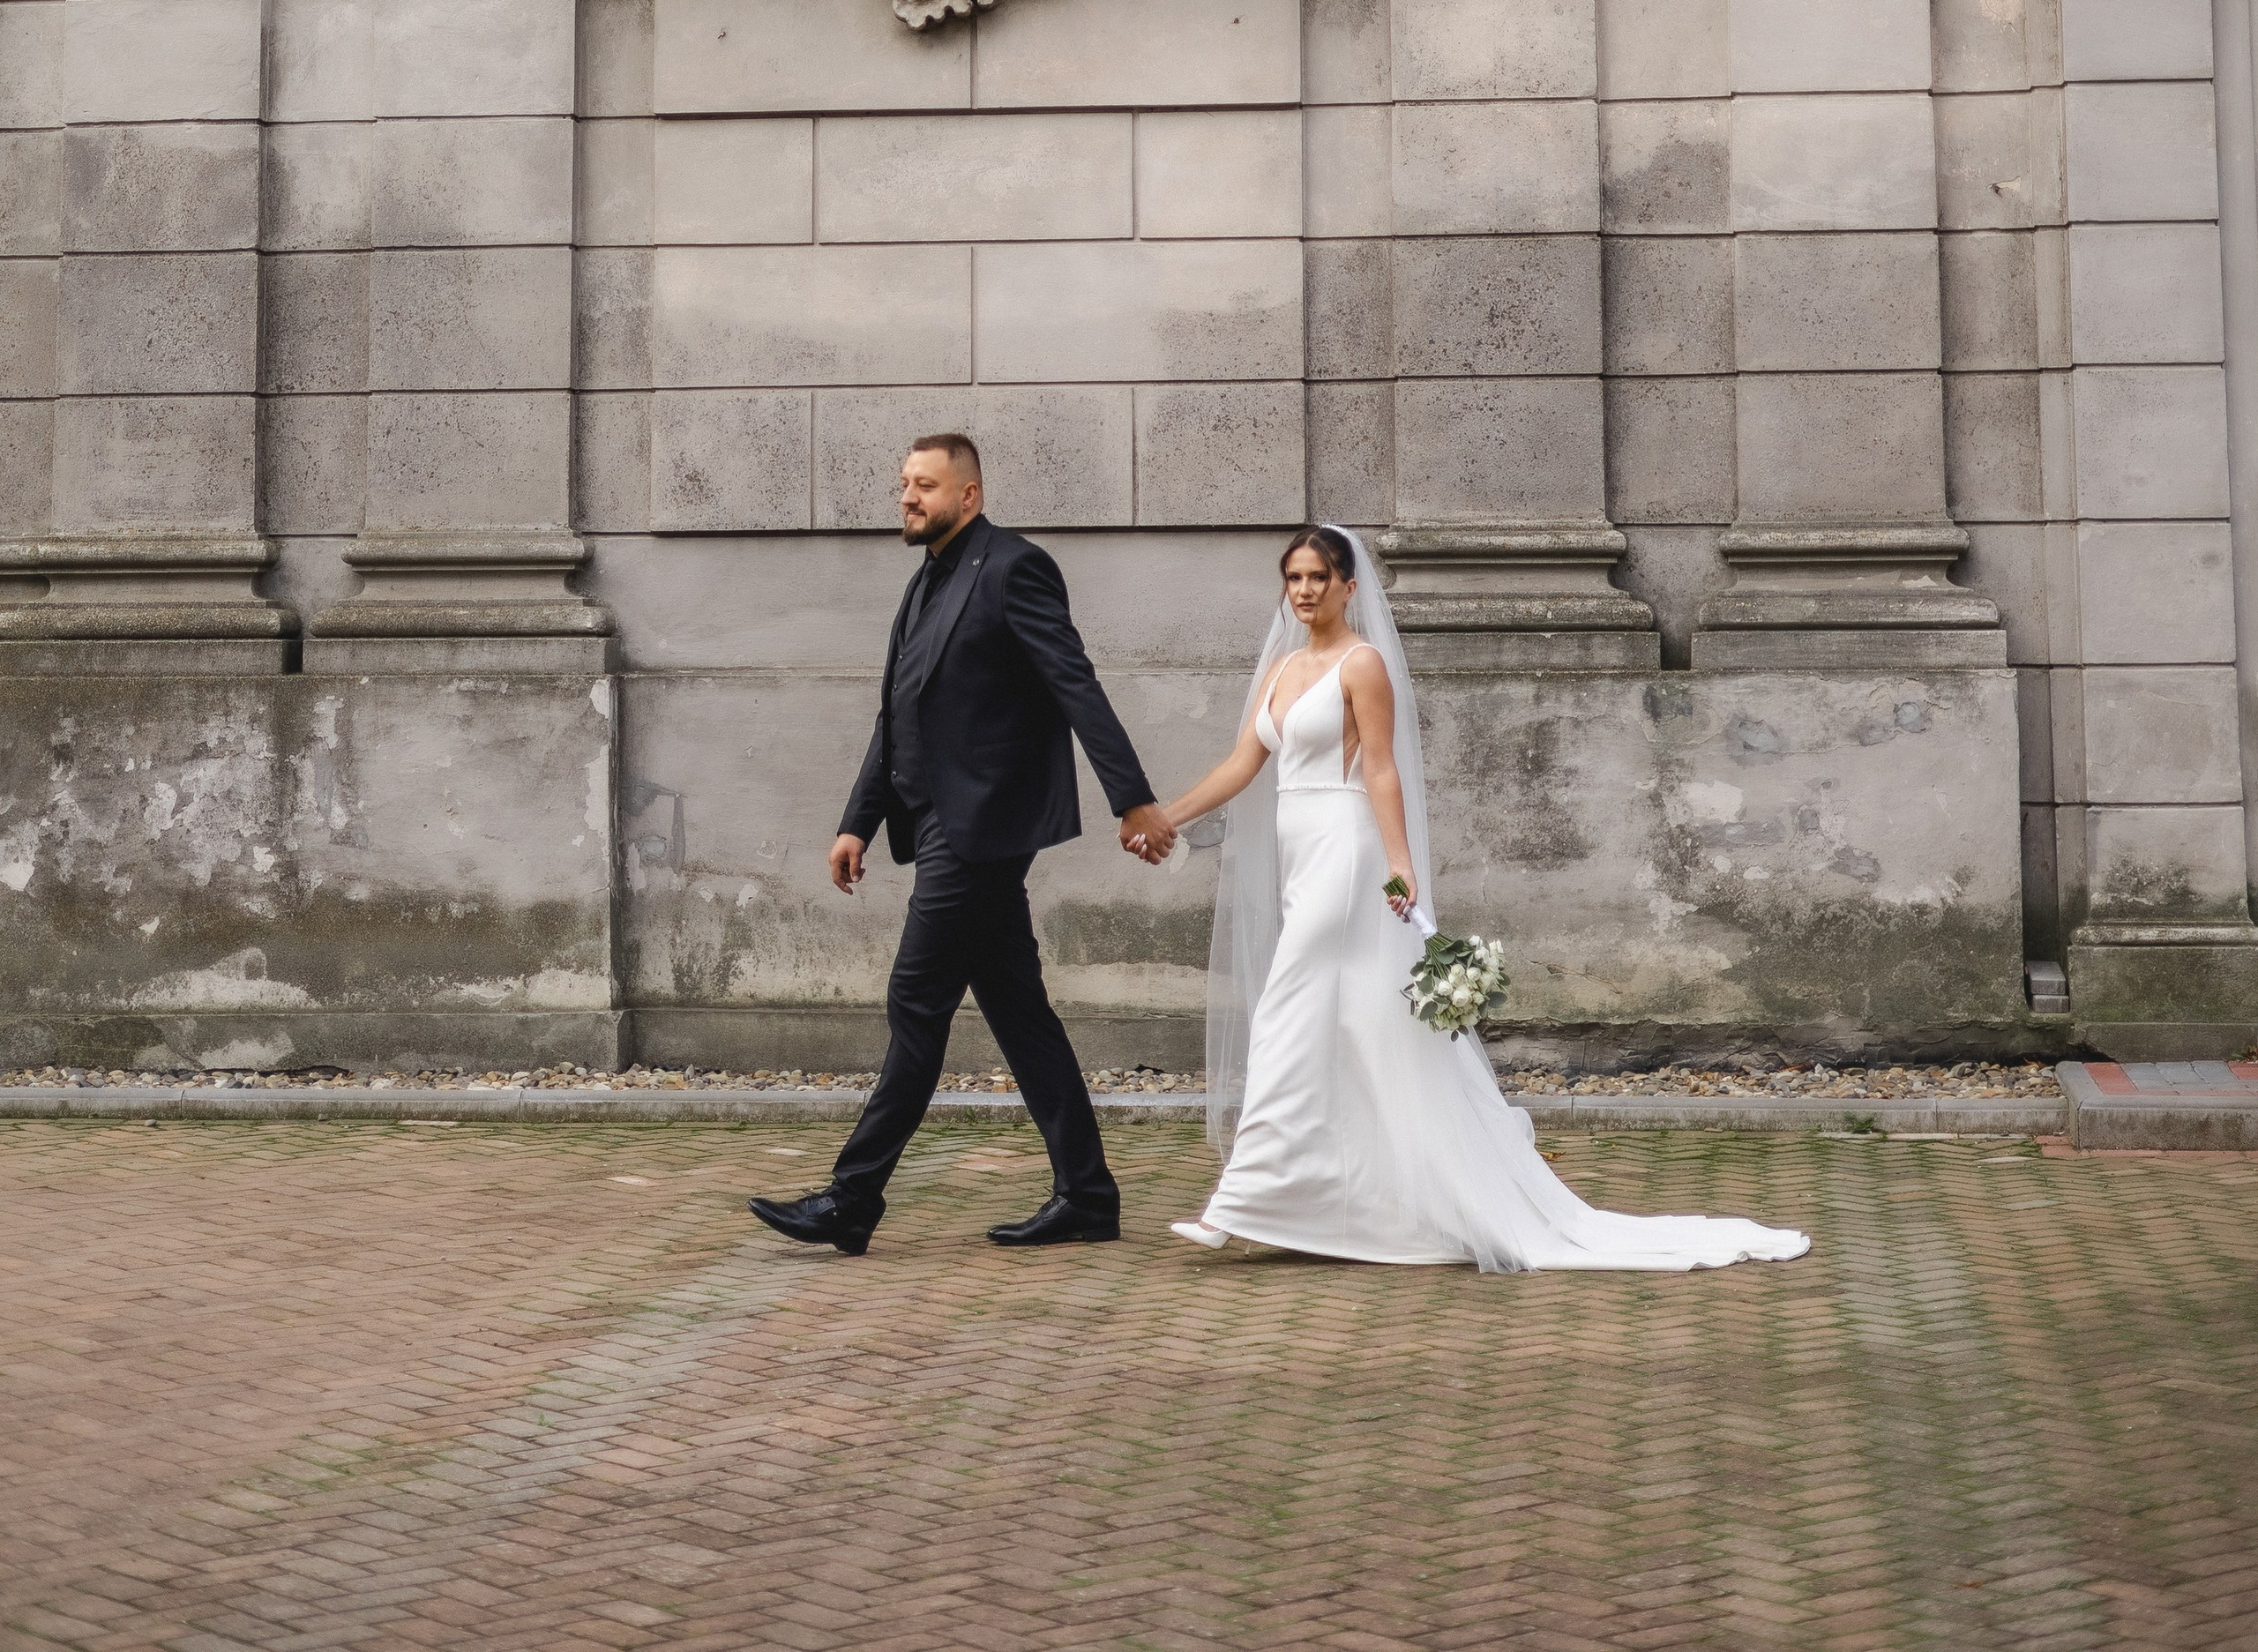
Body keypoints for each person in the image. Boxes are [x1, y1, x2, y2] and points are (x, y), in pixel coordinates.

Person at [1161, 526, 1810, 1274]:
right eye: (1293, 577)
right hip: (1299, 852)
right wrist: (1163, 816)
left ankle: (1241, 1202)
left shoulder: (1361, 665)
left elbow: (1380, 771)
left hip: (1345, 851)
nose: (1304, 590)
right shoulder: (1281, 669)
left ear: (1348, 587)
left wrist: (1401, 866)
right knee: (1351, 1024)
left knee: (1283, 1009)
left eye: (1318, 577)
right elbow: (1244, 762)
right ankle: (1352, 1200)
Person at [748, 434, 1176, 1258]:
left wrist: (1134, 800)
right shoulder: (923, 585)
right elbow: (898, 715)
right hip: (935, 820)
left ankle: (852, 1198)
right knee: (1020, 1014)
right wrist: (856, 820)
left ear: (969, 496)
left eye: (924, 486)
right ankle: (1087, 1196)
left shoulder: (1015, 568)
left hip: (982, 829)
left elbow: (1073, 682)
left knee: (916, 999)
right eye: (903, 484)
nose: (906, 498)